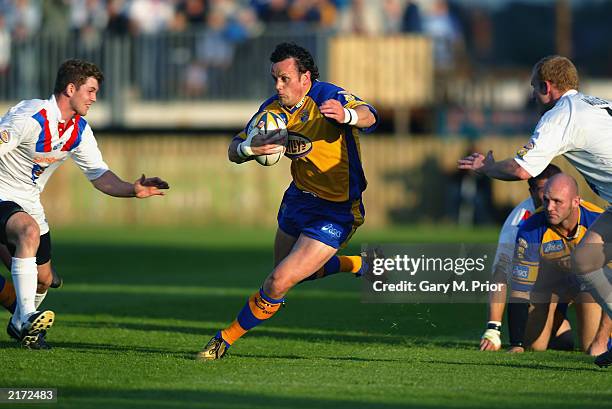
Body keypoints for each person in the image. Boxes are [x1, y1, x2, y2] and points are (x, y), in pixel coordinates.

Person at [197, 42, 378, 360]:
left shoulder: (327, 96)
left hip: (337, 208)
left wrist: (348, 115)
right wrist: (249, 150)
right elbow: (234, 147)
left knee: (279, 281)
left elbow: (370, 115)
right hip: (297, 199)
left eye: (284, 79)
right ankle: (358, 264)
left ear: (305, 78)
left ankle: (223, 340)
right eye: (275, 79)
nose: (278, 86)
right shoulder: (272, 111)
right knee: (289, 273)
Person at [0, 59, 169, 349]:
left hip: (29, 202)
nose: (94, 98)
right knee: (27, 232)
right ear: (70, 88)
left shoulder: (78, 129)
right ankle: (24, 319)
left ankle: (23, 320)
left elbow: (99, 175)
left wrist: (132, 189)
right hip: (2, 195)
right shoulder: (30, 116)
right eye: (90, 91)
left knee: (43, 280)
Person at [458, 55, 611, 366]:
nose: (531, 94)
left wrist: (488, 167)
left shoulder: (561, 115)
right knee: (586, 258)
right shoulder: (596, 103)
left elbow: (521, 170)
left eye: (533, 87)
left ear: (547, 85)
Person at [506, 173, 610, 354]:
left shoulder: (600, 222)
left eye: (557, 201)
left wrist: (601, 339)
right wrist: (516, 344)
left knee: (591, 348)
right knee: (534, 348)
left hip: (588, 290)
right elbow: (520, 290)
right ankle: (558, 324)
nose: (549, 207)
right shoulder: (530, 228)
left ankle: (570, 330)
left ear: (576, 202)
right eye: (546, 200)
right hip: (551, 288)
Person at [480, 164, 562, 351]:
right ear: (531, 191)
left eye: (554, 190)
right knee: (549, 345)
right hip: (542, 290)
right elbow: (501, 272)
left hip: (574, 283)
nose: (549, 197)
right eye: (543, 190)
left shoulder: (579, 210)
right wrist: (493, 329)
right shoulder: (519, 222)